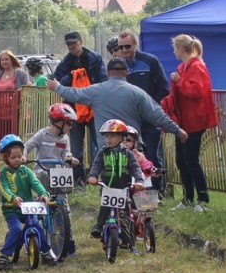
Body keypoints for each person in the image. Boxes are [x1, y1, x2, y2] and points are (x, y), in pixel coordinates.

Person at [46, 58, 188, 150]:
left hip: (106, 149)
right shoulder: (137, 92)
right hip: (130, 147)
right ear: (126, 72)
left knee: (108, 186)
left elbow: (73, 94)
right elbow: (157, 115)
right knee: (133, 188)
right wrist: (177, 130)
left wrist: (57, 86)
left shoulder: (96, 91)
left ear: (108, 73)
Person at [168, 34, 218, 212]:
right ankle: (188, 198)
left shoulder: (196, 66)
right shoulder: (184, 66)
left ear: (181, 49)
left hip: (194, 121)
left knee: (191, 159)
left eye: (175, 48)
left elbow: (197, 91)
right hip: (183, 121)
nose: (174, 51)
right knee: (181, 160)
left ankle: (202, 199)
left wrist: (178, 80)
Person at [24, 103, 80, 256]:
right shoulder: (42, 134)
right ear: (59, 122)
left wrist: (71, 160)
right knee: (41, 200)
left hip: (58, 173)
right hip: (42, 170)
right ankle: (37, 232)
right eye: (68, 124)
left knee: (64, 205)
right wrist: (23, 155)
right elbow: (27, 146)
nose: (70, 127)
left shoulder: (65, 139)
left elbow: (66, 155)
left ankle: (67, 240)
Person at [117, 30, 170, 192]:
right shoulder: (119, 64)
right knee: (130, 156)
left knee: (152, 156)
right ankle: (133, 190)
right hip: (130, 121)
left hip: (150, 119)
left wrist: (153, 108)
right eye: (121, 47)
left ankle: (156, 192)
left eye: (128, 46)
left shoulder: (150, 61)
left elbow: (163, 88)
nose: (124, 50)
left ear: (135, 45)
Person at [53, 31, 107, 188]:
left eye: (74, 43)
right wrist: (71, 77)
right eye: (69, 44)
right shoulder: (65, 62)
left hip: (93, 108)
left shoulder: (95, 58)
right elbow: (56, 81)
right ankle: (79, 182)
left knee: (102, 145)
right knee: (76, 149)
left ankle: (102, 180)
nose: (71, 46)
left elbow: (103, 80)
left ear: (81, 41)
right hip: (73, 110)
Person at [0, 134, 56, 270]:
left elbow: (36, 183)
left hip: (28, 208)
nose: (17, 159)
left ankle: (45, 253)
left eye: (19, 156)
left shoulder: (26, 171)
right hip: (12, 209)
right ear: (5, 157)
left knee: (37, 227)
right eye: (13, 157)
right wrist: (12, 198)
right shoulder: (3, 174)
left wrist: (44, 194)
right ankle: (4, 255)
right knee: (16, 229)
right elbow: (3, 188)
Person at [87, 119, 145, 253]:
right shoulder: (103, 152)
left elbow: (135, 168)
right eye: (106, 136)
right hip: (107, 187)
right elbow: (96, 165)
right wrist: (93, 176)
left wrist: (139, 181)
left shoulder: (128, 153)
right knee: (105, 208)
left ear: (121, 137)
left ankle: (131, 243)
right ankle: (99, 226)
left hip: (123, 188)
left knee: (126, 215)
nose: (108, 139)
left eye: (112, 136)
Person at [0, 50, 31, 143]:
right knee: (0, 139)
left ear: (12, 60)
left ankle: (14, 157)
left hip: (15, 113)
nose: (4, 61)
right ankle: (1, 157)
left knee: (13, 139)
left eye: (6, 59)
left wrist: (18, 91)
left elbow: (28, 85)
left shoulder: (20, 73)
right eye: (2, 60)